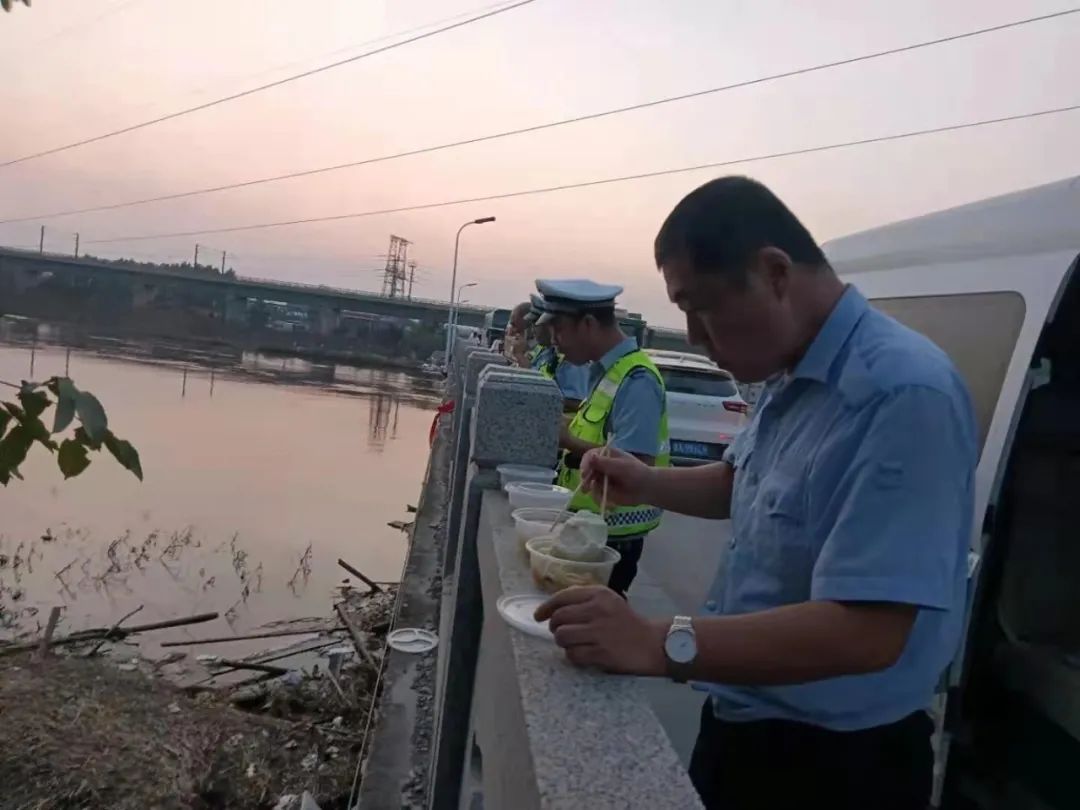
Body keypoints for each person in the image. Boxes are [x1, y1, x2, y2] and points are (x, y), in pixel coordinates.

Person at [535, 176, 977, 810]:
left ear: (773, 273)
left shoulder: (902, 394)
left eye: (700, 306)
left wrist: (656, 641)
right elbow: (741, 484)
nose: (691, 334)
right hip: (745, 717)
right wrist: (642, 478)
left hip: (835, 765)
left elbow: (869, 630)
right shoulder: (788, 372)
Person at [533, 278, 670, 596]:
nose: (554, 341)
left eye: (559, 329)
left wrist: (568, 439)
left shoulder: (637, 380)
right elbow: (602, 434)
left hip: (610, 539)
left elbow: (637, 464)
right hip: (587, 528)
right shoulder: (609, 371)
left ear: (589, 324)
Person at [526, 294, 591, 411]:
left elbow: (578, 402)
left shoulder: (573, 360)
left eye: (535, 325)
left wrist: (540, 395)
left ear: (548, 326)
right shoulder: (546, 352)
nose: (532, 330)